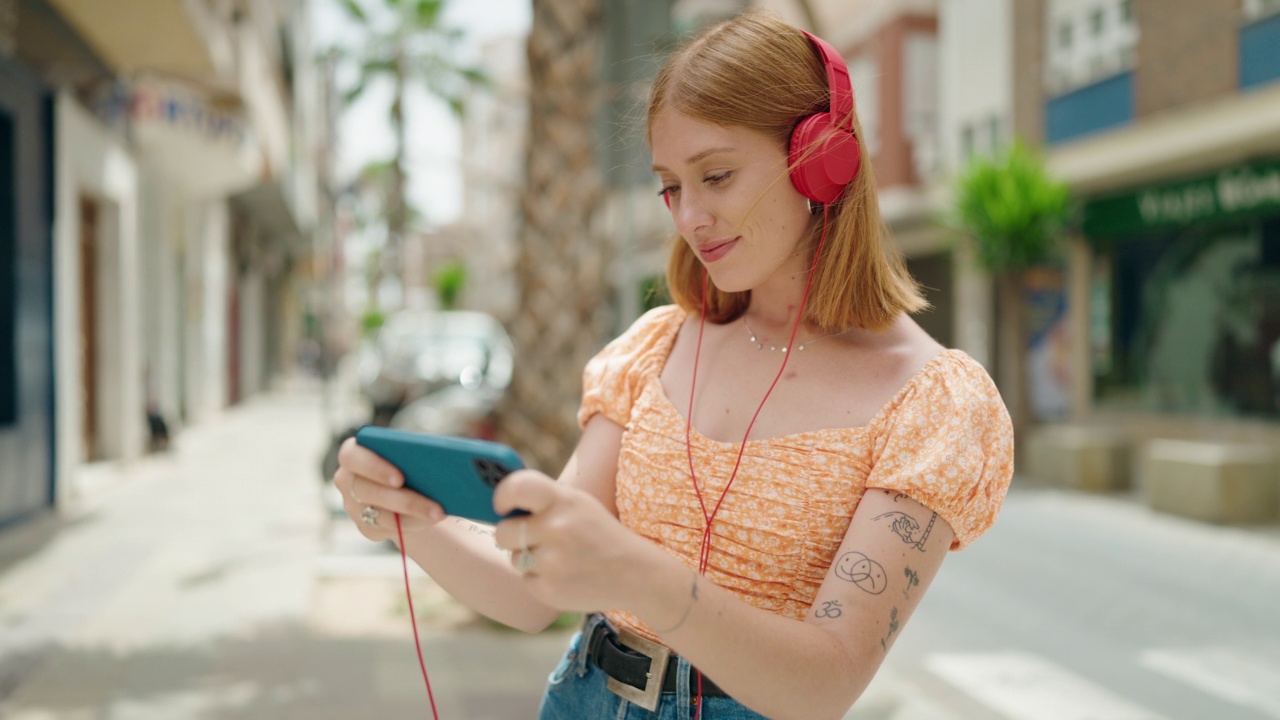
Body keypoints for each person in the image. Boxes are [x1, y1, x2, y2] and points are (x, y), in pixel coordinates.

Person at [333, 9, 1014, 719]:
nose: (688, 217)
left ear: (820, 158)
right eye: (670, 186)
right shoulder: (655, 346)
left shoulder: (932, 402)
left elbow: (826, 684)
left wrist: (637, 572)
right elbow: (530, 590)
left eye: (715, 175)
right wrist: (404, 515)